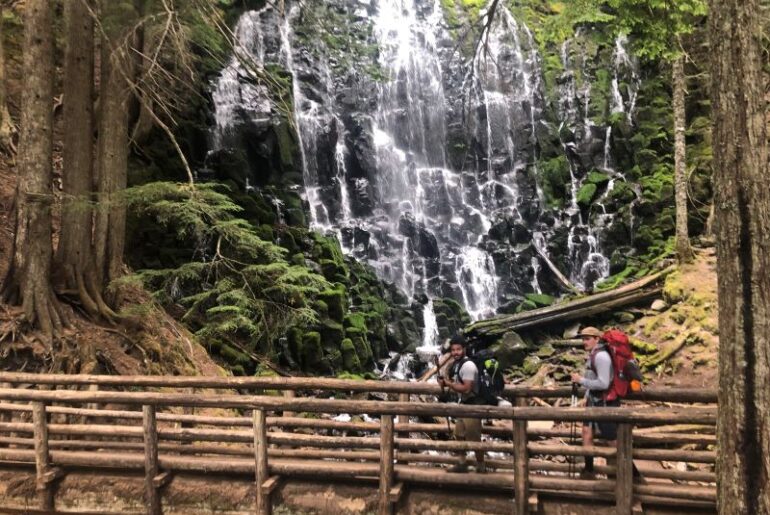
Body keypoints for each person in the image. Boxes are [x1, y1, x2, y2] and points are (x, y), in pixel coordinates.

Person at [570, 326, 618, 479]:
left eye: (587, 338)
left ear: (597, 339)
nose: (584, 342)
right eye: (583, 339)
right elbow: (593, 377)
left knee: (611, 441)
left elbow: (604, 384)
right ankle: (589, 470)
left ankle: (631, 474)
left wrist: (580, 380)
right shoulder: (593, 354)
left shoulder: (602, 356)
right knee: (586, 433)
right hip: (593, 401)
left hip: (606, 403)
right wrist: (587, 395)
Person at [437, 334, 485, 473]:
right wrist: (444, 383)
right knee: (459, 434)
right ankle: (462, 463)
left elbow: (466, 388)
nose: (455, 353)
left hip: (473, 406)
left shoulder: (468, 365)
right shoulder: (456, 365)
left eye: (458, 349)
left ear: (464, 349)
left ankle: (481, 466)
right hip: (463, 405)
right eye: (453, 350)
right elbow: (454, 383)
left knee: (474, 437)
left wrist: (448, 384)